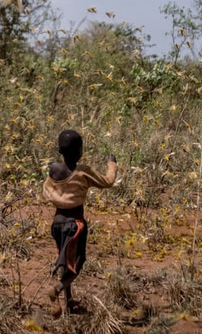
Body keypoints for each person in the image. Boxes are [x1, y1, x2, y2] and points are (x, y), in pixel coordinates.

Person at [42, 129, 117, 317]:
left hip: (57, 225)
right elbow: (108, 182)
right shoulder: (82, 172)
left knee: (66, 263)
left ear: (60, 150)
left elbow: (47, 190)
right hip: (75, 225)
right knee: (78, 262)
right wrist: (112, 164)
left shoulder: (54, 170)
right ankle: (56, 290)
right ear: (80, 151)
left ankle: (68, 303)